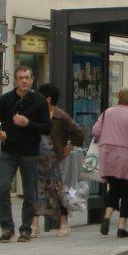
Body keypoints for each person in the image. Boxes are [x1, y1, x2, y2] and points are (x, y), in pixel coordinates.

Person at [0, 65, 52, 243]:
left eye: (27, 77)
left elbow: (47, 128)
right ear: (15, 80)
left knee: (29, 193)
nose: (24, 81)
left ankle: (26, 228)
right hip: (9, 150)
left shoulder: (39, 101)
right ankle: (7, 227)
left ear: (32, 79)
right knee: (2, 188)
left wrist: (28, 123)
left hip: (30, 152)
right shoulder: (6, 99)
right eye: (20, 78)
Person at [92, 86, 128, 238]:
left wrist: (106, 140)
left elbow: (96, 131)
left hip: (108, 154)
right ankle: (121, 226)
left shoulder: (108, 112)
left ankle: (106, 217)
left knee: (114, 189)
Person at [32, 84, 84, 237]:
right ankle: (34, 225)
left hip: (54, 159)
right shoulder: (35, 114)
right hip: (36, 157)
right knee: (36, 191)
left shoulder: (61, 116)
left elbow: (78, 132)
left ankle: (64, 223)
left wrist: (69, 147)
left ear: (47, 99)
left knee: (58, 190)